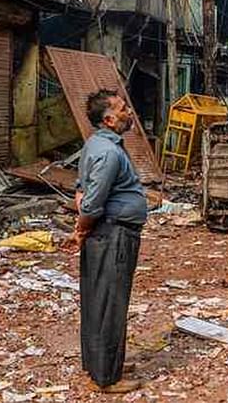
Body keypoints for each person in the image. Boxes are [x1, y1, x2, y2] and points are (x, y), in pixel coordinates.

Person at [73, 89, 147, 393]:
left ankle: (101, 363)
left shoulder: (97, 145)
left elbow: (81, 190)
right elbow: (90, 202)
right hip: (113, 234)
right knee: (110, 304)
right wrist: (81, 228)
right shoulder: (108, 152)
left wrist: (84, 226)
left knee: (98, 300)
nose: (129, 111)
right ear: (109, 118)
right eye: (122, 108)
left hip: (107, 232)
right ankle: (107, 378)